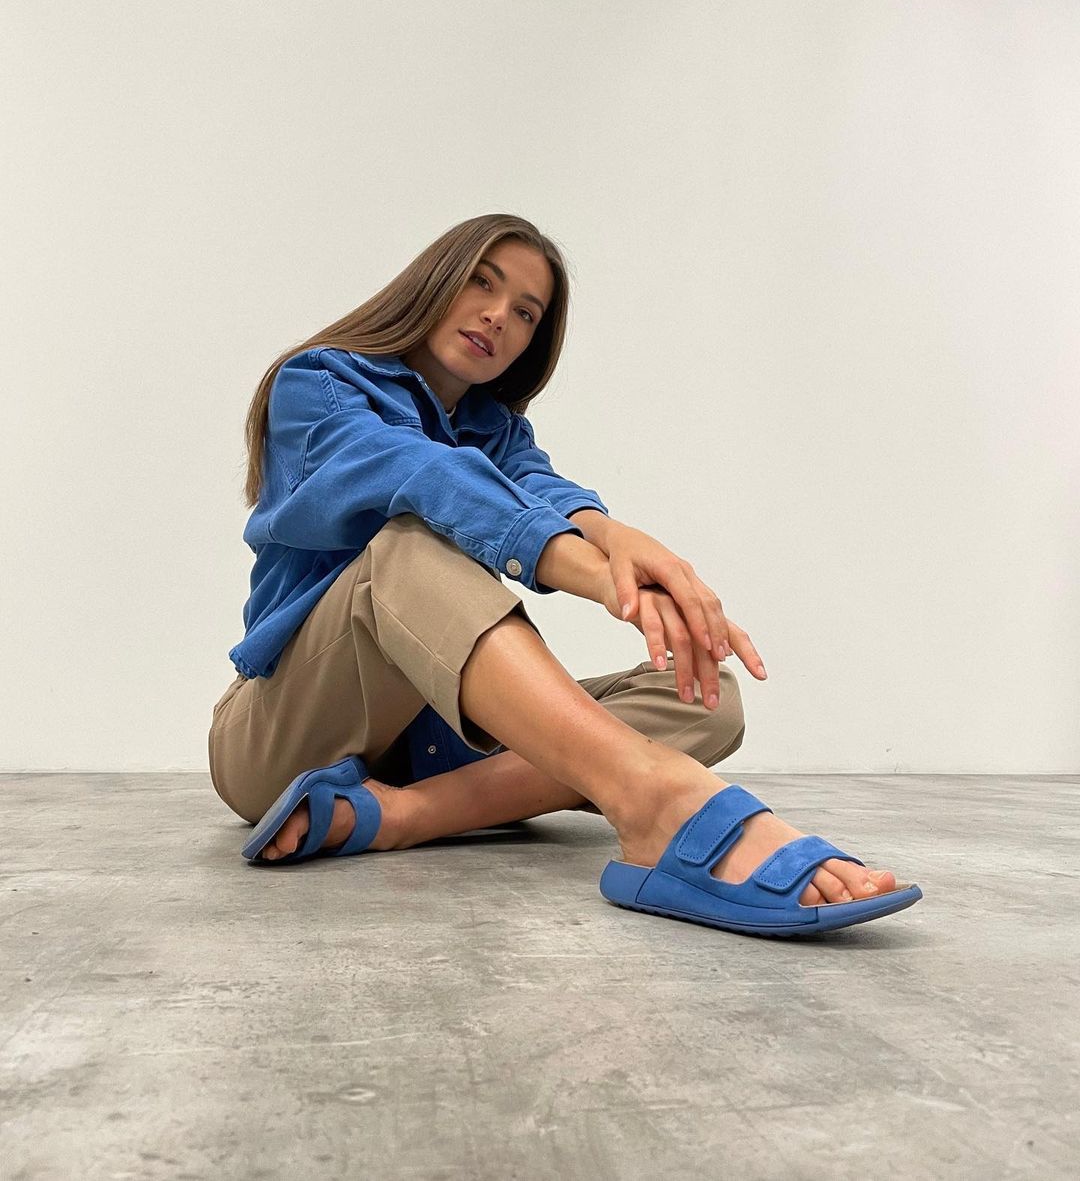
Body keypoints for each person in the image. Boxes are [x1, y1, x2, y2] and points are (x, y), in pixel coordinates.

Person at [207, 213, 921, 938]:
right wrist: (605, 582)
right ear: (434, 280)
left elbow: (541, 487)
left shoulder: (494, 428)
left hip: (435, 750)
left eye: (526, 312)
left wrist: (619, 540)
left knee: (705, 701)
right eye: (482, 283)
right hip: (284, 738)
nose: (499, 316)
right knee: (406, 546)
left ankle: (405, 814)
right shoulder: (318, 383)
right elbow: (424, 475)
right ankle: (651, 798)